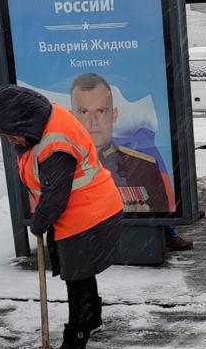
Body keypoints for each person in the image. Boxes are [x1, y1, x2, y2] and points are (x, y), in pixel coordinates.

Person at [0, 85, 124, 349]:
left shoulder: (55, 144)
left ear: (23, 122)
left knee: (77, 278)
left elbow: (55, 197)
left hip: (88, 215)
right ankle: (92, 319)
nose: (8, 139)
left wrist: (39, 223)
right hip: (85, 211)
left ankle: (76, 342)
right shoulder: (41, 126)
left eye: (9, 132)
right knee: (80, 273)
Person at [69, 72, 192, 251]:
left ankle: (167, 235)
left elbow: (162, 209)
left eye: (101, 111)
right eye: (84, 112)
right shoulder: (64, 165)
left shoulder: (144, 165)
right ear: (73, 116)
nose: (92, 122)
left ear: (114, 114)